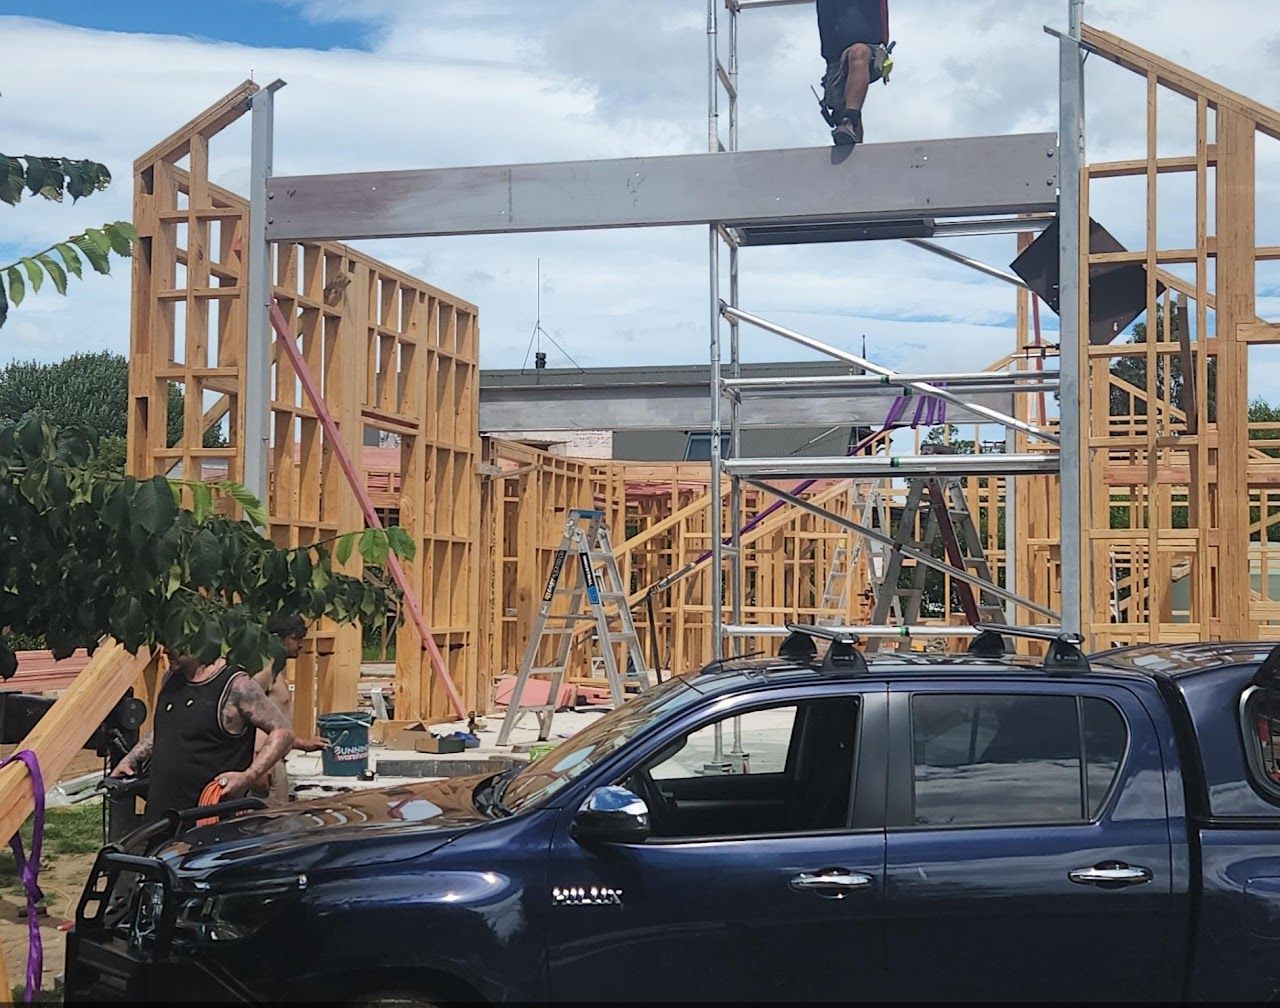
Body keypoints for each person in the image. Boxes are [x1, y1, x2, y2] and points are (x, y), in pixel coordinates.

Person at [111, 646, 295, 824]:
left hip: (210, 822)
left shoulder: (236, 685)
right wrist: (131, 759)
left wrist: (247, 776)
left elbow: (283, 732)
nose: (165, 650)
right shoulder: (172, 679)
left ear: (198, 638)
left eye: (173, 643)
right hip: (164, 818)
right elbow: (169, 727)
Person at [250, 612, 329, 805]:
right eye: (295, 638)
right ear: (277, 638)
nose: (300, 644)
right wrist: (259, 767)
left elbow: (275, 724)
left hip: (275, 761)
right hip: (267, 765)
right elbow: (250, 719)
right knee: (270, 826)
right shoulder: (265, 671)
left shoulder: (277, 670)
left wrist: (303, 744)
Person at [816, 0, 891, 146]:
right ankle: (852, 143)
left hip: (869, 44)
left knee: (859, 53)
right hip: (834, 56)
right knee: (842, 109)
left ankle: (850, 119)